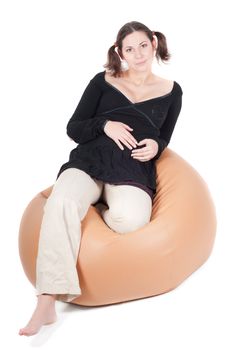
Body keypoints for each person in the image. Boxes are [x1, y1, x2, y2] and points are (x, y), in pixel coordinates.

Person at [19, 20, 183, 336]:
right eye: (129, 49)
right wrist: (104, 126)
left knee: (131, 221)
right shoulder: (103, 81)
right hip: (90, 161)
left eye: (142, 46)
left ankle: (95, 209)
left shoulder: (172, 91)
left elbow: (164, 138)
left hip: (131, 169)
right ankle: (47, 300)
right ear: (120, 53)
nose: (137, 55)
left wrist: (155, 145)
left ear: (153, 43)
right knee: (62, 200)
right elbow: (74, 127)